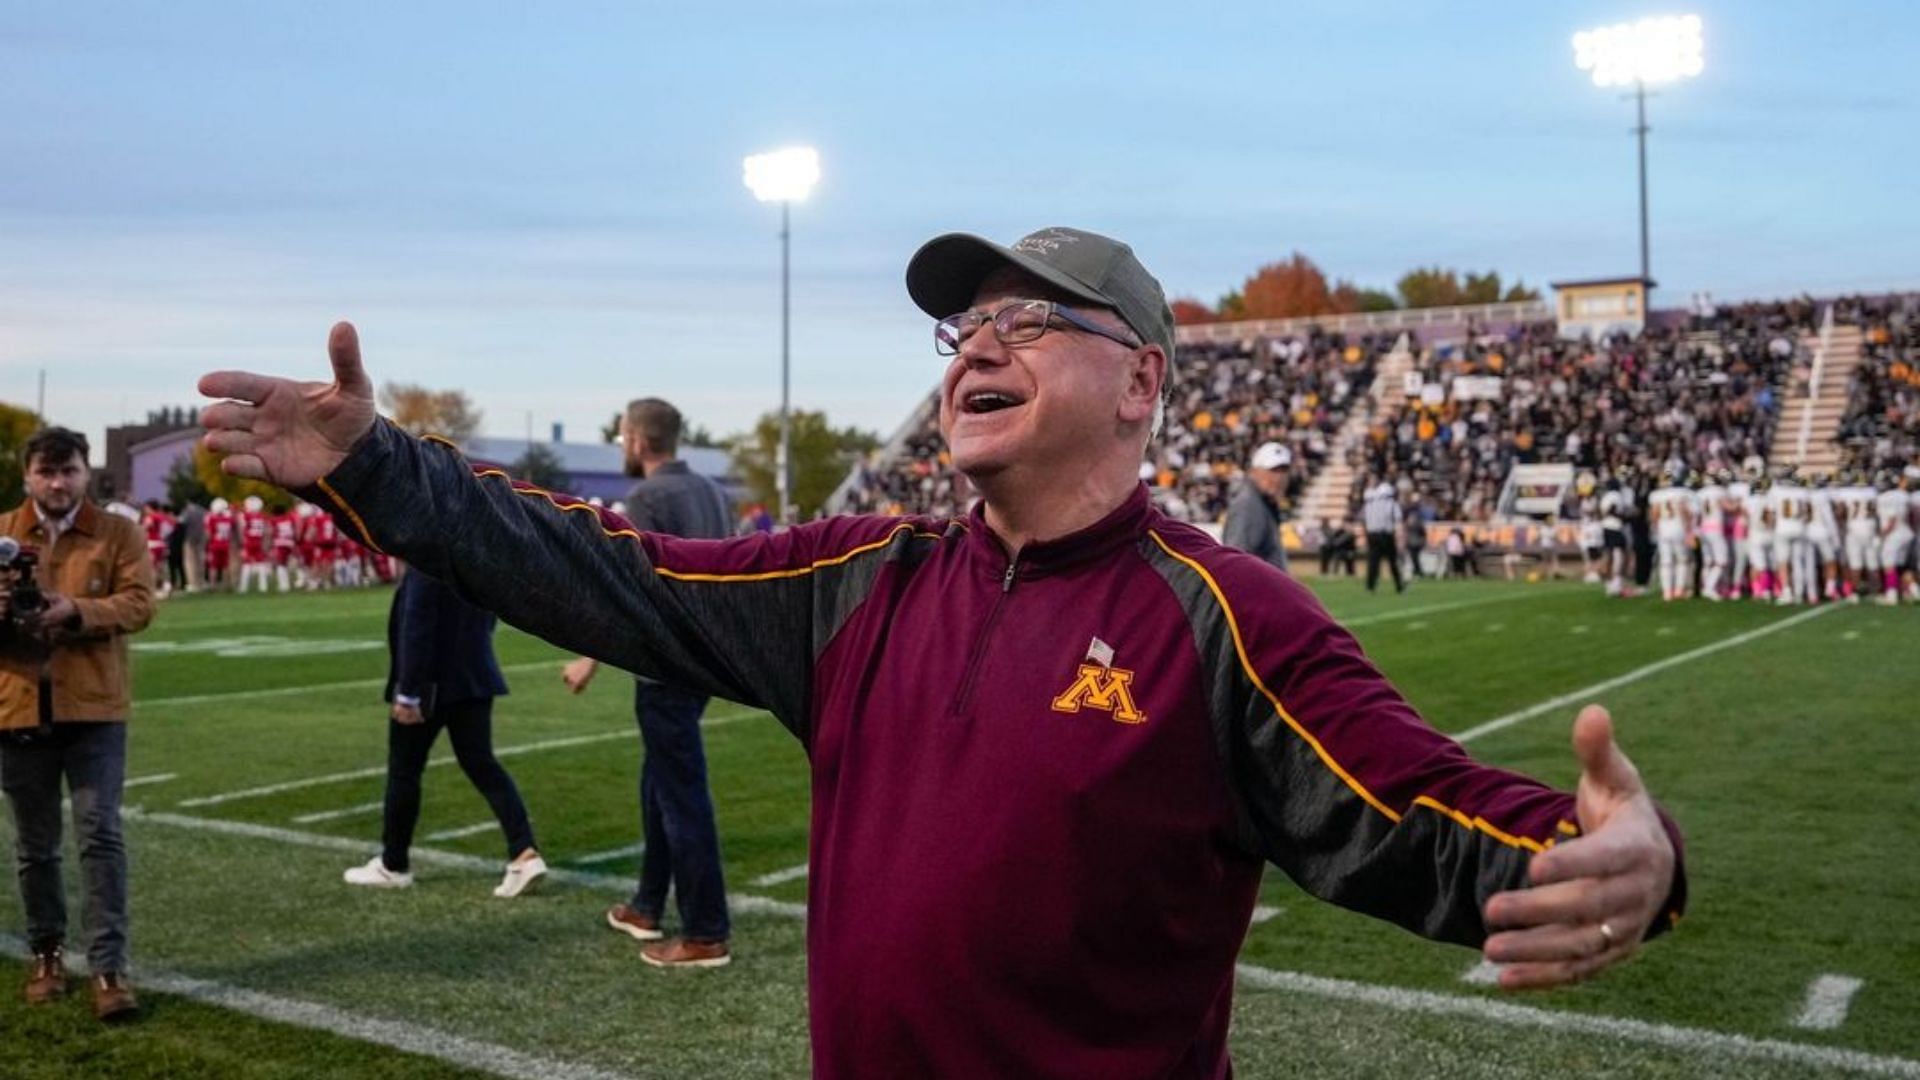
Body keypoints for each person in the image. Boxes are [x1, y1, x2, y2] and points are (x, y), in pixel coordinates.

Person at [201, 226, 1684, 1078]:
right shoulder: (859, 582)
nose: (977, 345)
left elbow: (1410, 808)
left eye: (1027, 320)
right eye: (962, 328)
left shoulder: (1224, 614)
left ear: (1142, 384)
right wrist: (384, 468)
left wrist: (1620, 854)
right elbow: (607, 568)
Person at [561, 397, 736, 969]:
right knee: (659, 780)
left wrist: (589, 658)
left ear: (637, 439)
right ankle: (647, 903)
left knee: (682, 793)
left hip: (665, 666)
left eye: (622, 437)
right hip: (705, 662)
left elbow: (626, 590)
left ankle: (706, 930)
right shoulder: (711, 491)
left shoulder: (648, 497)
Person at [0, 427, 153, 1021]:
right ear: (27, 476)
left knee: (100, 838)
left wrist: (76, 612)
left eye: (68, 471)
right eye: (46, 471)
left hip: (94, 707)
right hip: (17, 705)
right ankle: (47, 955)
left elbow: (140, 603)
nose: (58, 482)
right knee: (35, 847)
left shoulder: (118, 531)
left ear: (87, 473)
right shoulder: (6, 533)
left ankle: (109, 968)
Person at [343, 566, 548, 896]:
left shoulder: (427, 559)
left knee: (404, 771)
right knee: (482, 765)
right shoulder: (474, 558)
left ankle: (394, 863)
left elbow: (416, 623)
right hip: (475, 675)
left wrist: (408, 690)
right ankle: (524, 851)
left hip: (432, 684)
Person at [1219, 441, 1290, 573]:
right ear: (1254, 472)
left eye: (1283, 471)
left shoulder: (1263, 503)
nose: (1279, 478)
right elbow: (1236, 564)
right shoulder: (1248, 506)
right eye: (1273, 471)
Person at [1361, 473, 1405, 593]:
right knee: (1380, 562)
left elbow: (1397, 519)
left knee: (1383, 561)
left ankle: (1373, 586)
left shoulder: (1371, 501)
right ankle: (1397, 585)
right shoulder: (1377, 501)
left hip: (1382, 533)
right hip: (1378, 533)